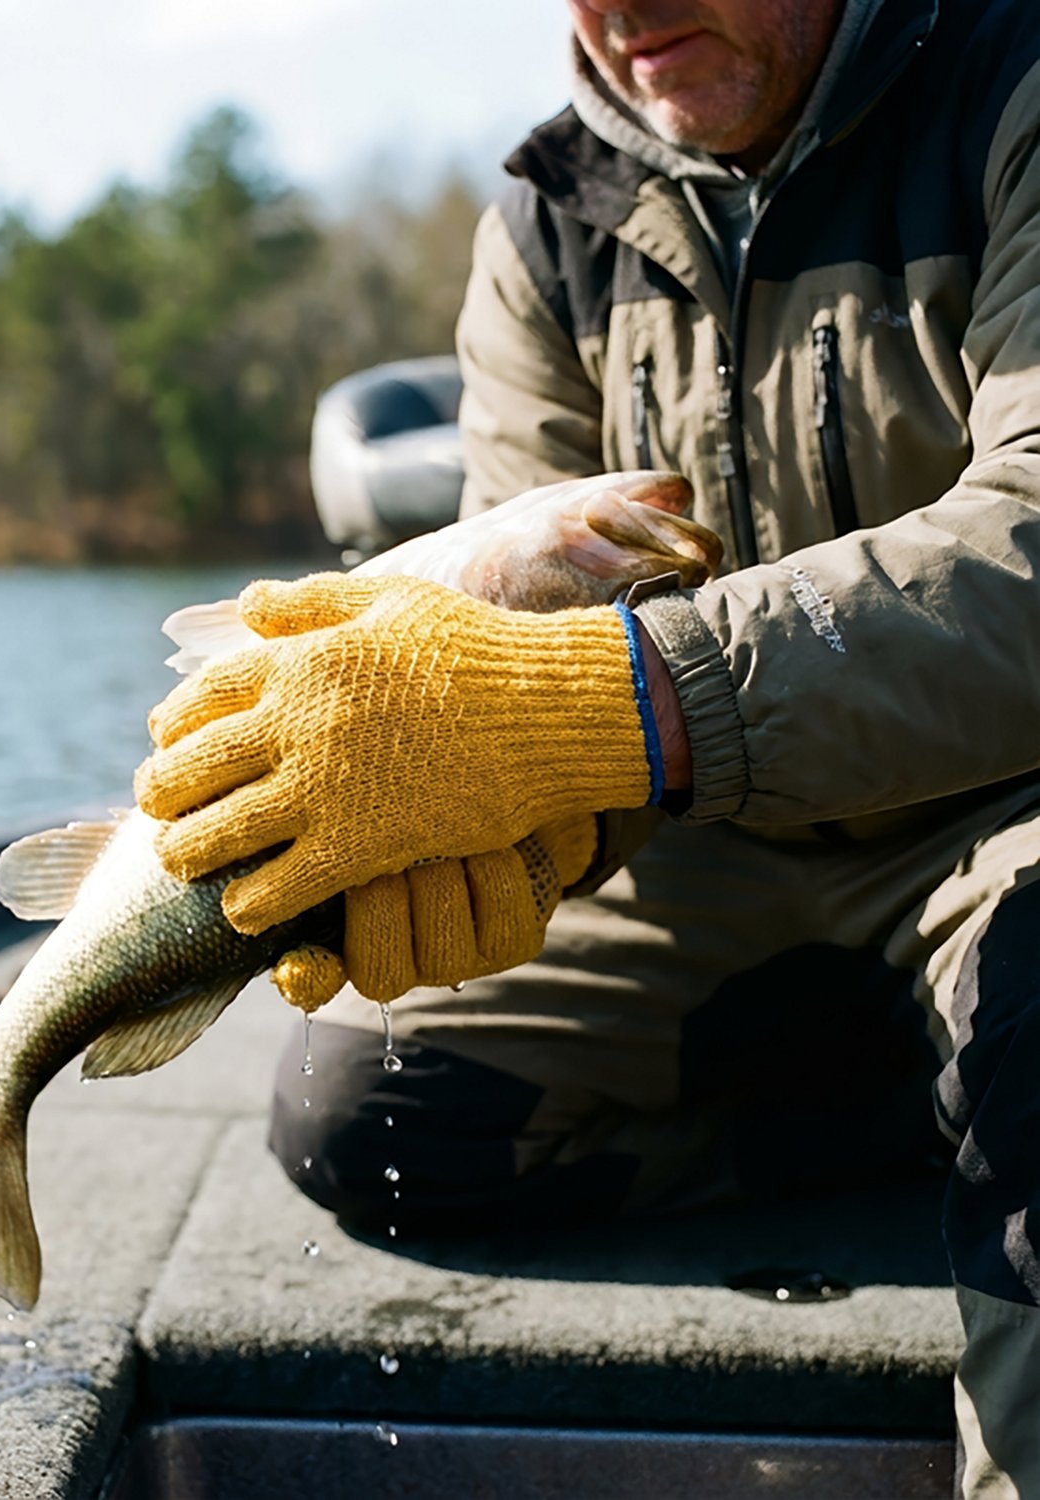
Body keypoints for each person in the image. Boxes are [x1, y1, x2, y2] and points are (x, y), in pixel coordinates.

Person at [134, 0, 1040, 1492]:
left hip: (1009, 811)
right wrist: (497, 814)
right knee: (375, 1119)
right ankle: (917, 1099)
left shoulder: (1013, 86)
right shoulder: (552, 219)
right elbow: (508, 653)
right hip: (712, 843)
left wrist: (622, 703)